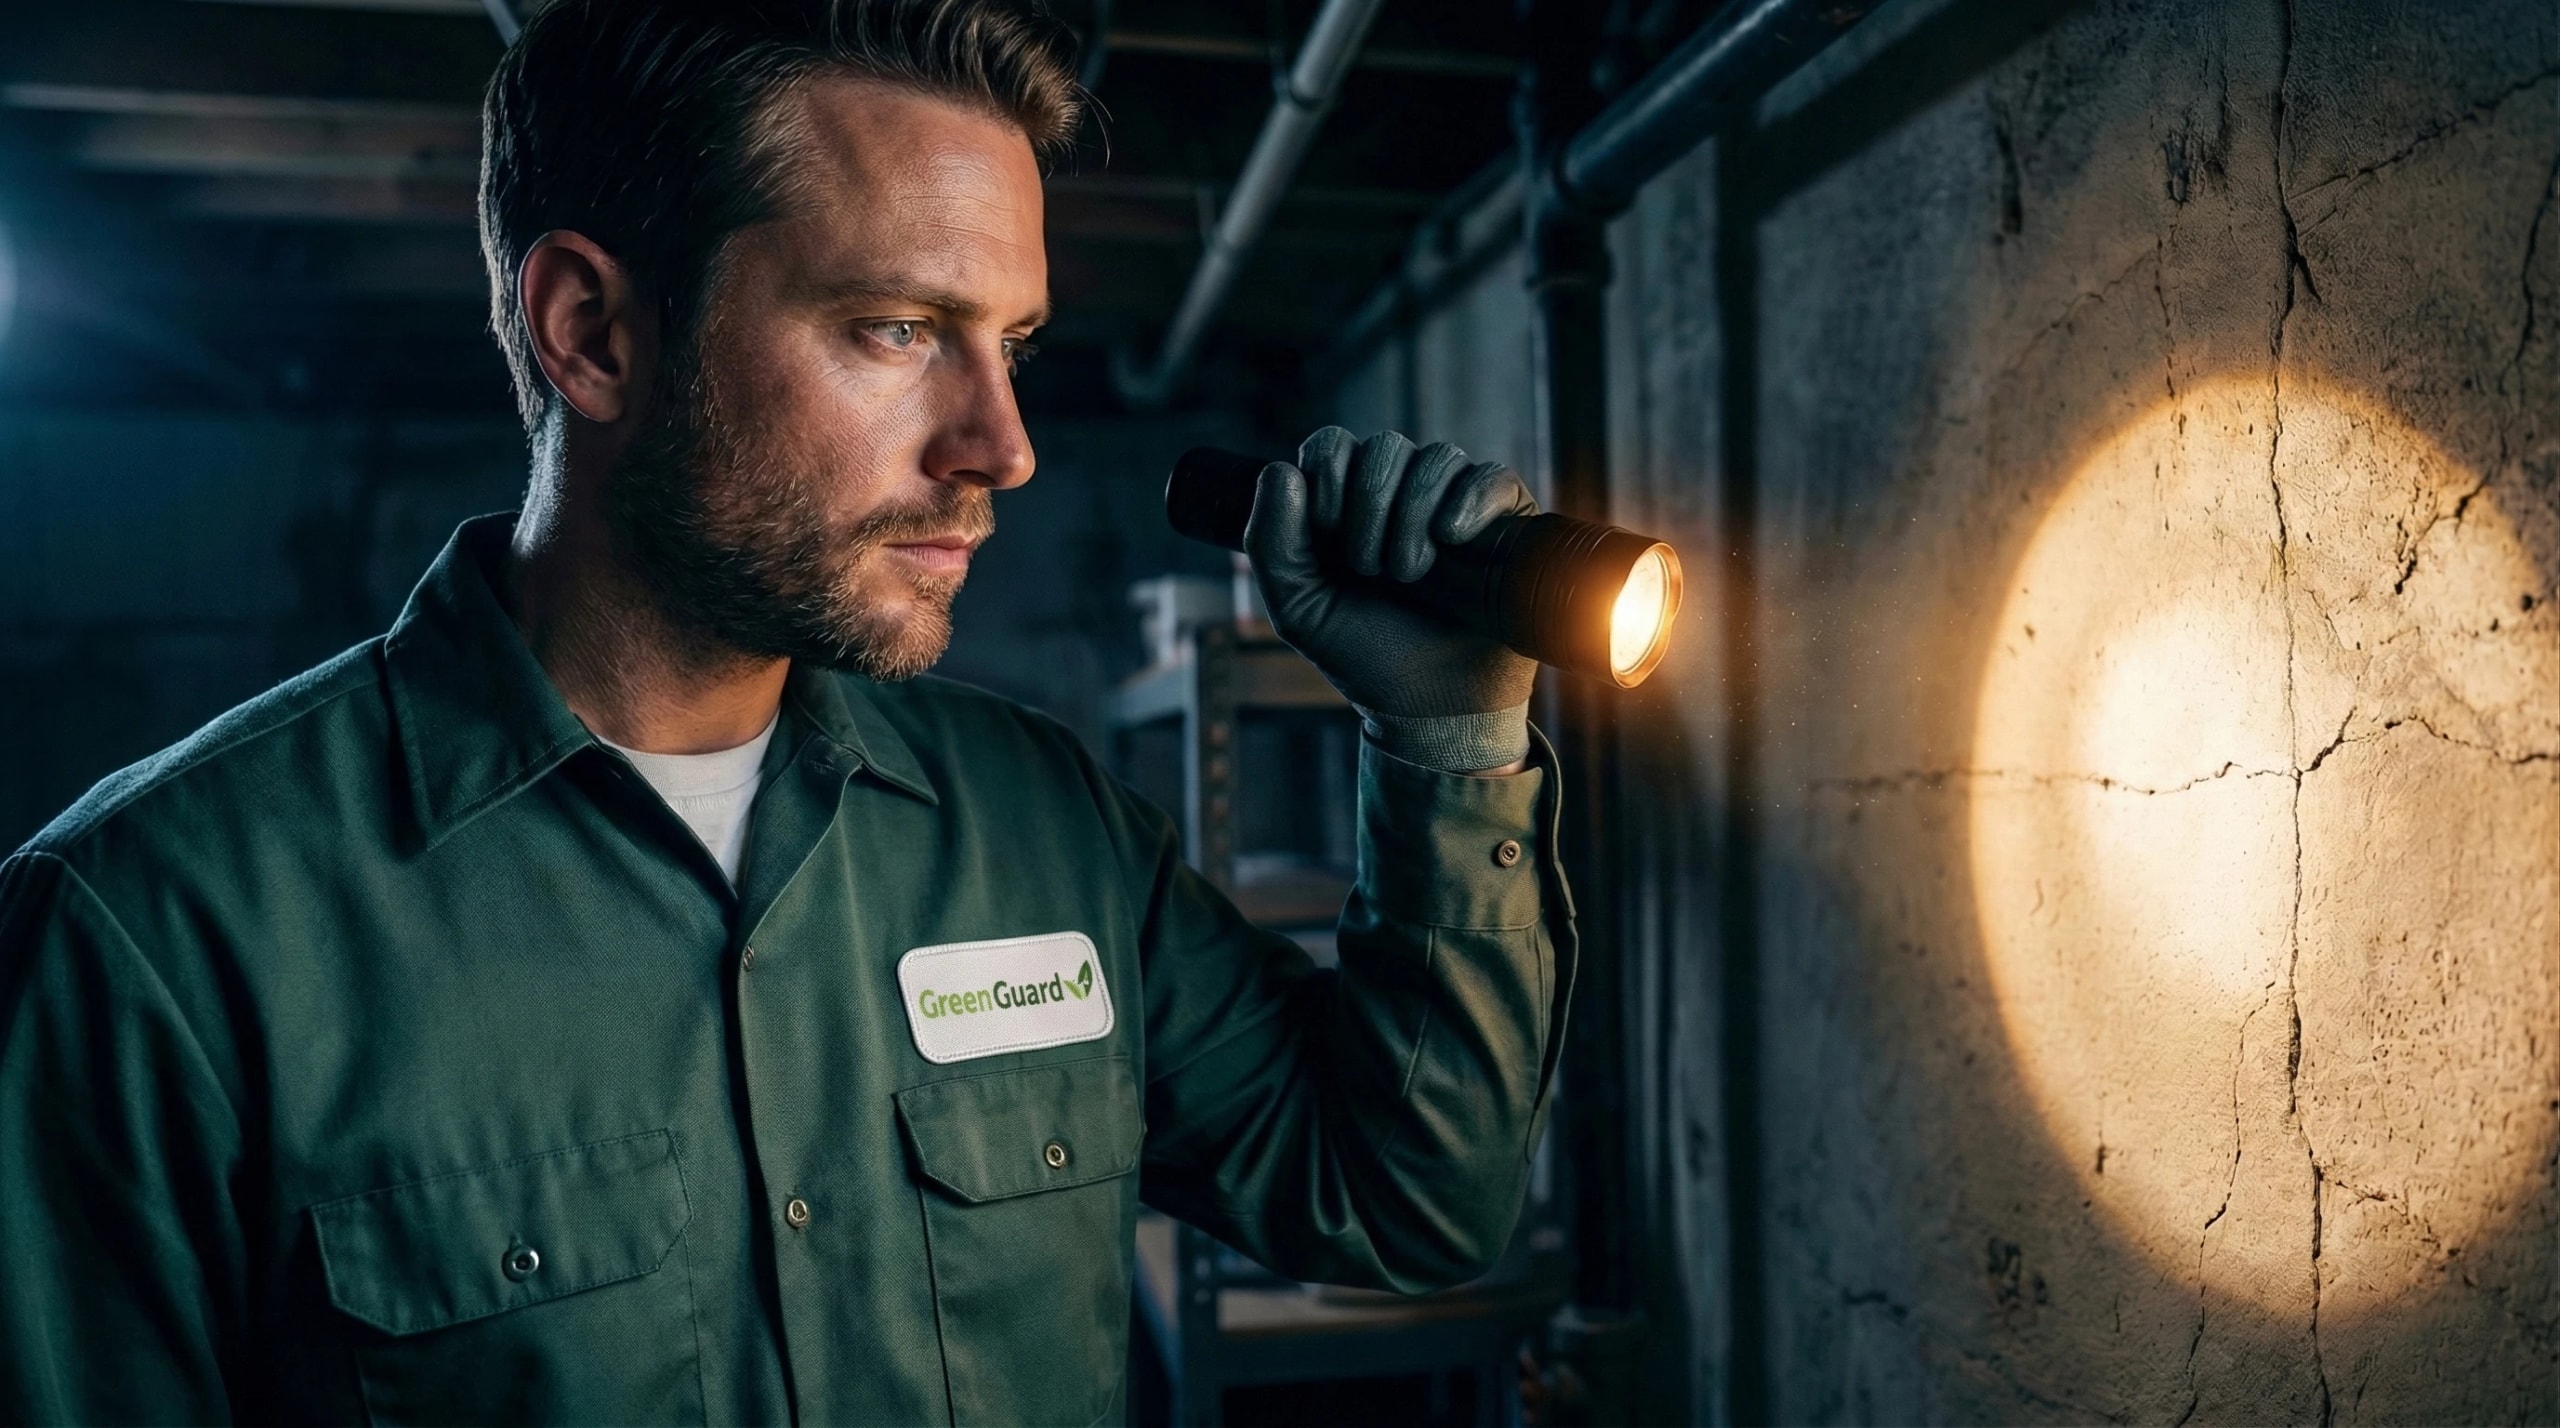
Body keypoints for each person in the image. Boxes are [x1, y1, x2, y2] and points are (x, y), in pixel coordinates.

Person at [0, 1, 1575, 1421]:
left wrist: (1446, 740)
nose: (1003, 445)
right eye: (897, 328)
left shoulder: (1039, 823)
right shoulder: (152, 934)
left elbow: (1404, 1202)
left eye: (1009, 344)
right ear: (595, 333)